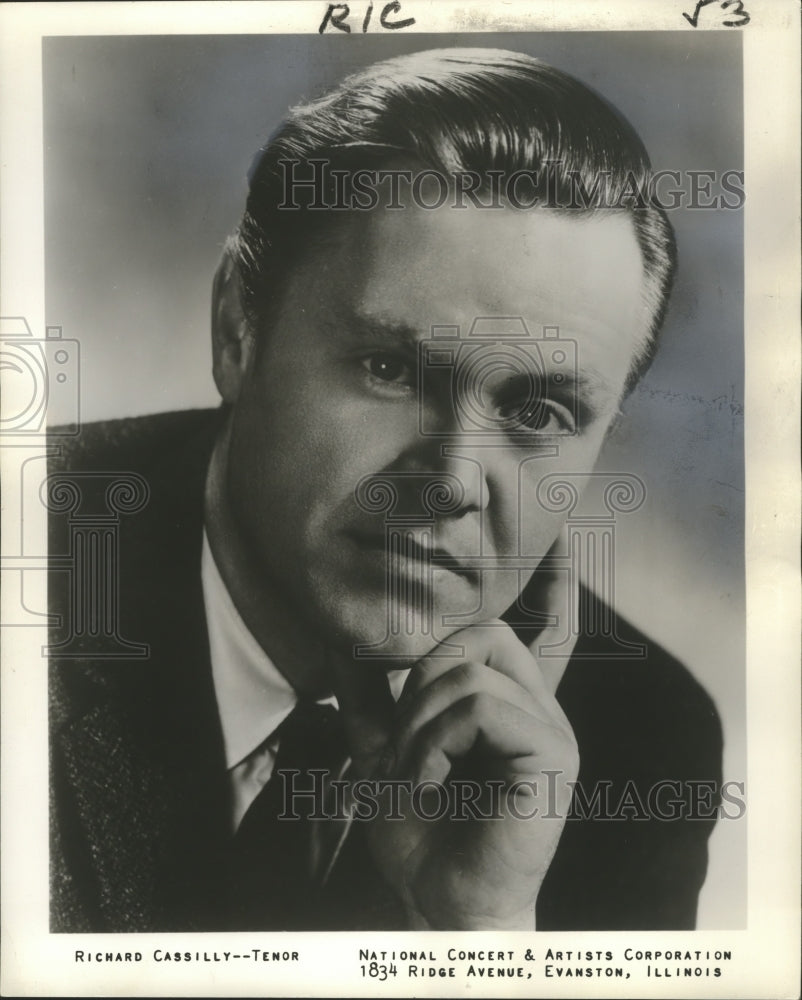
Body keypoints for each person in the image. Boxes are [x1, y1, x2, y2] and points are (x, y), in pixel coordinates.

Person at [48, 48, 722, 933]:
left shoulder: (637, 735)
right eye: (389, 369)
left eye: (541, 411)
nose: (448, 481)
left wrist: (479, 937)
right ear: (237, 332)